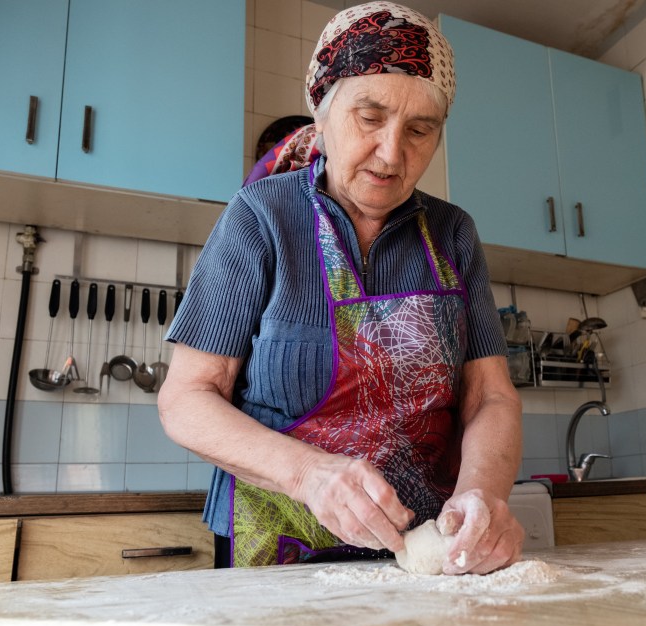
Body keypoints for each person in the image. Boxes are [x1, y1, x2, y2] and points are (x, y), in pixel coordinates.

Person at [158, 1, 523, 574]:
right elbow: (186, 399)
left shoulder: (453, 233)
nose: (392, 152)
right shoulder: (261, 216)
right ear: (322, 116)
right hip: (276, 550)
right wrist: (310, 475)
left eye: (420, 130)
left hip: (428, 553)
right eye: (370, 117)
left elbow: (491, 397)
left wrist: (482, 494)